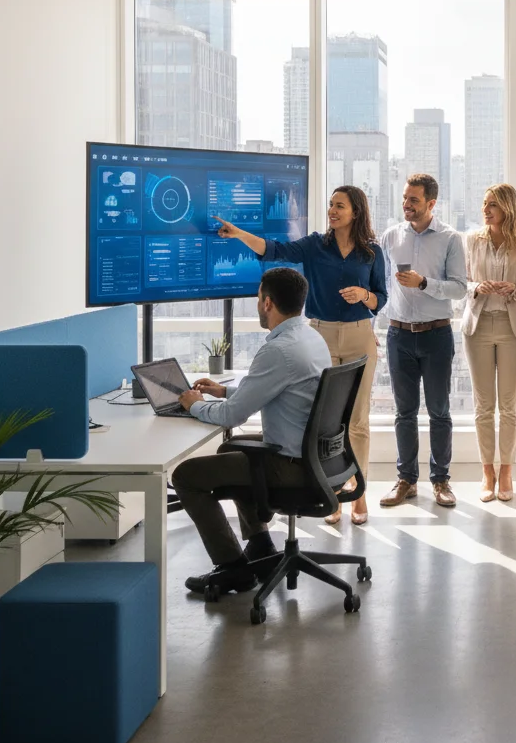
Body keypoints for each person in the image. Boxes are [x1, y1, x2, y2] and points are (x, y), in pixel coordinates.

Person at [210, 185, 386, 526]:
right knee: (321, 420)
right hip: (320, 335)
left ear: (356, 212)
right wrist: (238, 234)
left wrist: (364, 294)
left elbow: (382, 297)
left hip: (359, 337)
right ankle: (330, 492)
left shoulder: (372, 253)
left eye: (340, 206)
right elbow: (274, 250)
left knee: (357, 421)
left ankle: (359, 492)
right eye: (330, 204)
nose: (332, 211)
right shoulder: (315, 245)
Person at [171, 268, 333, 595]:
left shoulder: (278, 349)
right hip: (316, 456)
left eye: (258, 298)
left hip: (291, 466)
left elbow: (233, 416)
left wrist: (193, 405)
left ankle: (232, 569)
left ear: (267, 302)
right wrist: (223, 392)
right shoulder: (309, 337)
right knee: (229, 452)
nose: (258, 304)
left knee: (186, 476)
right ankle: (260, 545)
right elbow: (273, 390)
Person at [379, 173, 468, 509]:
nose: (406, 205)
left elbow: (460, 288)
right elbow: (380, 280)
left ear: (432, 203)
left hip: (436, 335)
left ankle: (441, 480)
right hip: (398, 334)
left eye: (414, 200)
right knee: (404, 413)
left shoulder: (450, 239)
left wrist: (423, 283)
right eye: (405, 198)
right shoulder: (390, 236)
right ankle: (406, 480)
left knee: (439, 411)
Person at [463, 184, 516, 502]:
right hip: (477, 328)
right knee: (483, 407)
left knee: (509, 407)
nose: (486, 209)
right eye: (484, 203)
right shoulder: (472, 240)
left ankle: (506, 471)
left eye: (492, 204)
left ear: (508, 207)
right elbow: (461, 283)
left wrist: (514, 289)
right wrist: (478, 286)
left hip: (512, 329)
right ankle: (487, 472)